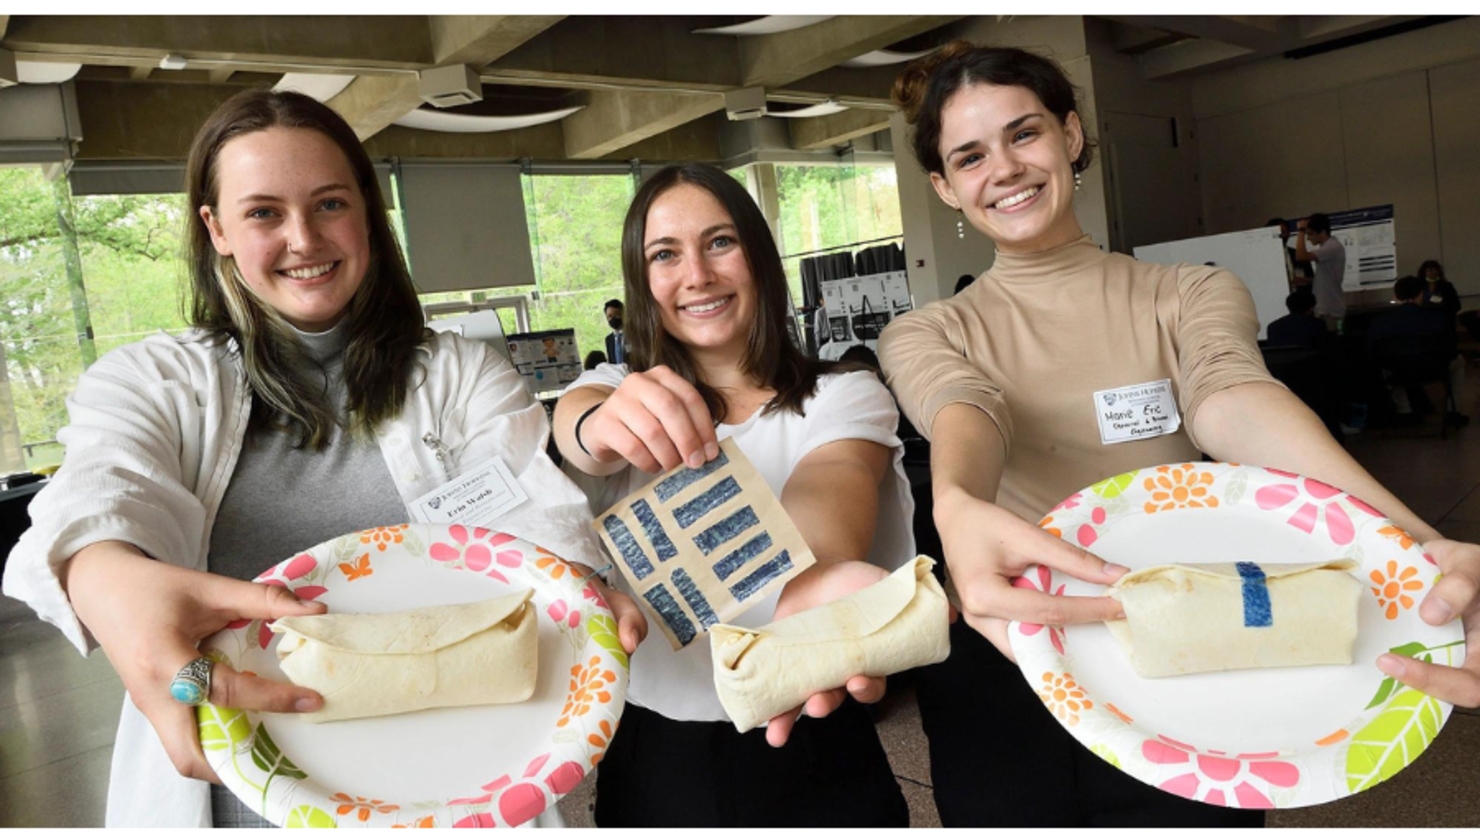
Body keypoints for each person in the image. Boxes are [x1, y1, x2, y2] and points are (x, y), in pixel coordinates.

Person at [0, 89, 644, 828]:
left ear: (367, 212)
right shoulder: (152, 381)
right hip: (246, 798)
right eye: (263, 212)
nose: (303, 238)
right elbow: (99, 488)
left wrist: (580, 590)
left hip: (462, 784)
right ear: (215, 228)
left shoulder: (460, 374)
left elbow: (535, 511)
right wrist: (106, 577)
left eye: (330, 203)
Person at [880, 41, 1480, 827]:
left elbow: (1229, 400)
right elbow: (969, 412)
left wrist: (1416, 542)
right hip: (1015, 639)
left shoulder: (1188, 291)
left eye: (1024, 134)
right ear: (945, 187)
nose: (1005, 168)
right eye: (970, 155)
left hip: (1195, 629)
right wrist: (957, 505)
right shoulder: (928, 331)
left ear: (1070, 136)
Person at [552, 162, 915, 827]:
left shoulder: (842, 396)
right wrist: (594, 427)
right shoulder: (619, 390)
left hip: (809, 724)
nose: (697, 274)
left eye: (719, 242)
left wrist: (807, 593)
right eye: (666, 254)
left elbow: (830, 495)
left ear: (759, 257)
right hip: (655, 746)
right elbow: (579, 425)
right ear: (641, 281)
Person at [1368, 275, 1467, 425]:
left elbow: (1372, 350)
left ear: (1396, 296)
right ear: (1421, 294)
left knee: (1384, 367)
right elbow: (1448, 347)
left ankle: (1404, 410)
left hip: (1398, 371)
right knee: (1459, 362)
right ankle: (1452, 411)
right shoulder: (1437, 318)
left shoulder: (1380, 322)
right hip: (1433, 368)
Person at [1295, 212, 1346, 330]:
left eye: (1311, 234)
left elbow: (1300, 256)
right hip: (1328, 309)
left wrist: (1301, 231)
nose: (1308, 238)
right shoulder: (1329, 247)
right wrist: (1308, 281)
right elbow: (1329, 277)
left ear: (1322, 232)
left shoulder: (1332, 247)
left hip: (1330, 311)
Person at [1418, 259, 1462, 330]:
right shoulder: (1418, 287)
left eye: (1436, 270)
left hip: (1444, 320)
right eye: (1430, 270)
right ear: (1424, 272)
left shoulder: (1447, 286)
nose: (1433, 273)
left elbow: (1456, 305)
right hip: (1424, 321)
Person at [1265, 217, 1304, 290]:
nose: (1280, 236)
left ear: (1289, 233)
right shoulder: (1264, 257)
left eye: (1283, 232)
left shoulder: (1298, 254)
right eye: (1277, 233)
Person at [603, 297, 627, 363]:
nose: (613, 318)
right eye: (609, 316)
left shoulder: (635, 334)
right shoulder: (609, 339)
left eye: (616, 314)